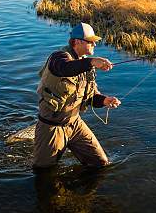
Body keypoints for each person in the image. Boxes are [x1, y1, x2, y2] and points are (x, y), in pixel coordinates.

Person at [33, 22, 121, 172]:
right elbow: (64, 68)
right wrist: (92, 62)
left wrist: (104, 101)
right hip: (52, 126)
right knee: (43, 172)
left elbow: (90, 95)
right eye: (91, 41)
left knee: (100, 163)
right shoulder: (58, 57)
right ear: (78, 41)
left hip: (75, 124)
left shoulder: (86, 64)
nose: (94, 44)